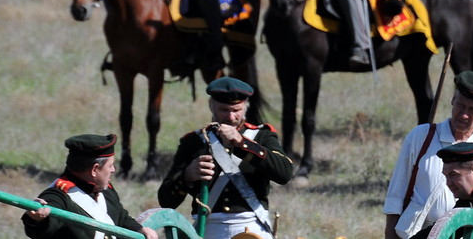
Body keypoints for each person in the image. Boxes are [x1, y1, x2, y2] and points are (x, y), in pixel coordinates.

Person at [158, 77, 294, 239]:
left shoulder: (262, 136)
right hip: (208, 226)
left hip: (251, 225)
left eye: (236, 110)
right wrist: (187, 175)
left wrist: (242, 143)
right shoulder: (193, 142)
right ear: (212, 106)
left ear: (245, 107)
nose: (230, 117)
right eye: (224, 110)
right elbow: (166, 200)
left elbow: (284, 174)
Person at [383, 71, 473, 239]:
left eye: (472, 110)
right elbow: (397, 189)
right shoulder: (420, 136)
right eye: (461, 105)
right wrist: (390, 232)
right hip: (413, 233)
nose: (463, 114)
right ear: (453, 100)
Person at [21, 134, 158, 239]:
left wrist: (139, 229)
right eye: (110, 166)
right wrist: (36, 219)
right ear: (94, 169)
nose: (113, 170)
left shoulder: (105, 189)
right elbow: (41, 228)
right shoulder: (58, 196)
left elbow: (120, 216)